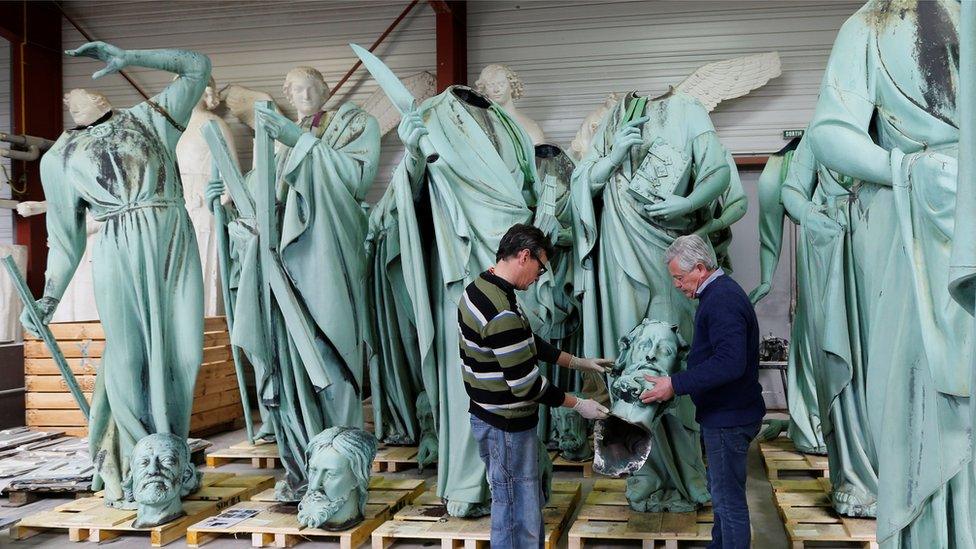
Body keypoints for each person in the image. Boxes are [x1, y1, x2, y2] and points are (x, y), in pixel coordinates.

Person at [458, 223, 611, 548]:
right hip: (506, 425)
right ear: (524, 256)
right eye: (540, 268)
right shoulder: (500, 311)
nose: (540, 276)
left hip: (490, 416)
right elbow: (526, 385)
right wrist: (578, 404)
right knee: (519, 513)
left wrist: (577, 362)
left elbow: (526, 339)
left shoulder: (481, 287)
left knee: (512, 502)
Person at [640, 234, 765, 549]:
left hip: (729, 418)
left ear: (699, 268)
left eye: (679, 278)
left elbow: (730, 362)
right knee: (722, 496)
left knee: (729, 502)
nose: (678, 285)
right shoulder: (720, 294)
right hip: (727, 414)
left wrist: (675, 384)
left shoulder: (721, 299)